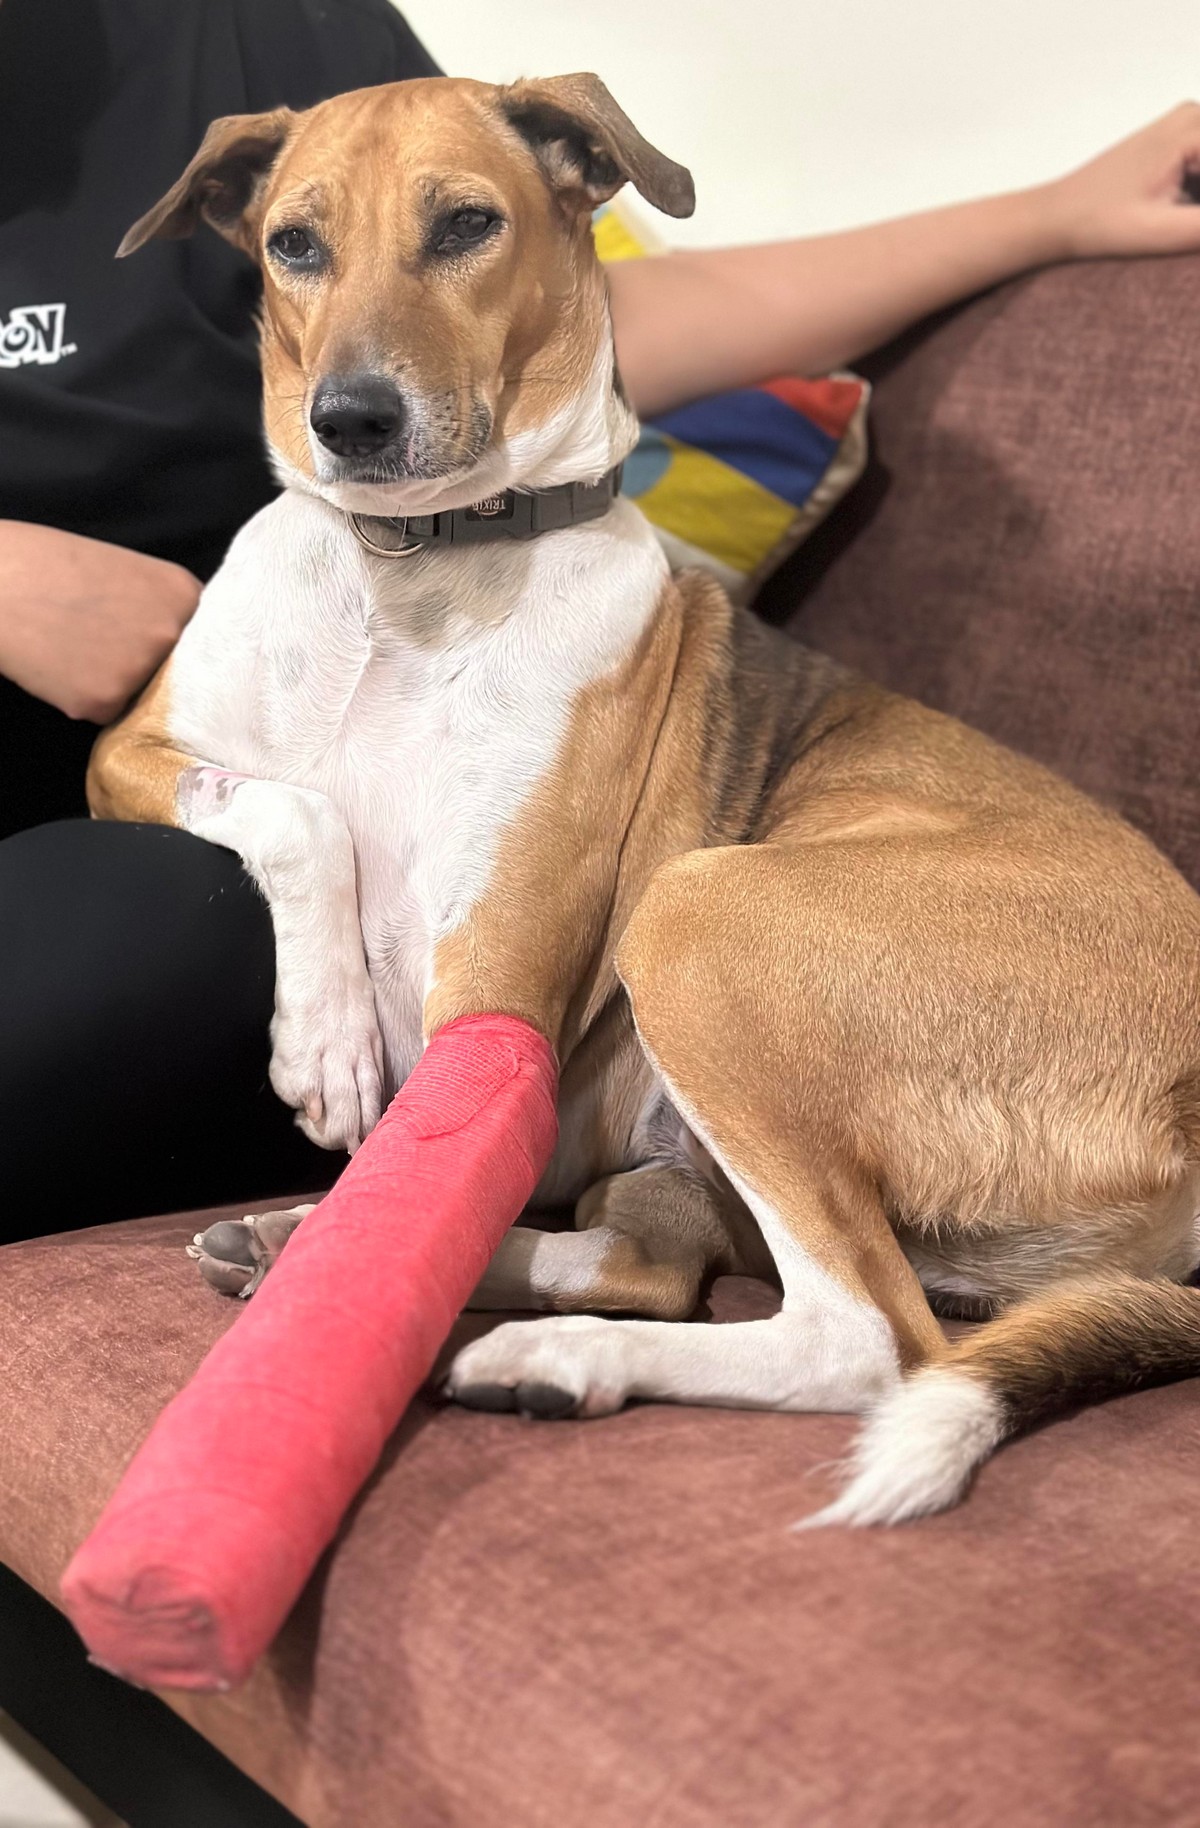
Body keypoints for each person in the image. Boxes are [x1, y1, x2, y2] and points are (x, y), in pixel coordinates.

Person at [3, 0, 1200, 1234]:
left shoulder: (270, 38)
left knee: (162, 925)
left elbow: (591, 309)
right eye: (302, 247)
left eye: (456, 229)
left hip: (163, 877)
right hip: (173, 760)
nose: (354, 369)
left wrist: (1054, 213)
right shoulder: (283, 561)